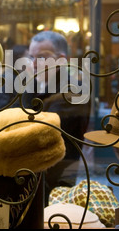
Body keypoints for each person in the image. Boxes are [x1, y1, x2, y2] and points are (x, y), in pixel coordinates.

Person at [26, 31, 91, 202]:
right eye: (31, 57)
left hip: (56, 181)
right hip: (28, 177)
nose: (33, 64)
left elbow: (41, 131)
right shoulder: (32, 85)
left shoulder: (75, 91)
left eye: (40, 57)